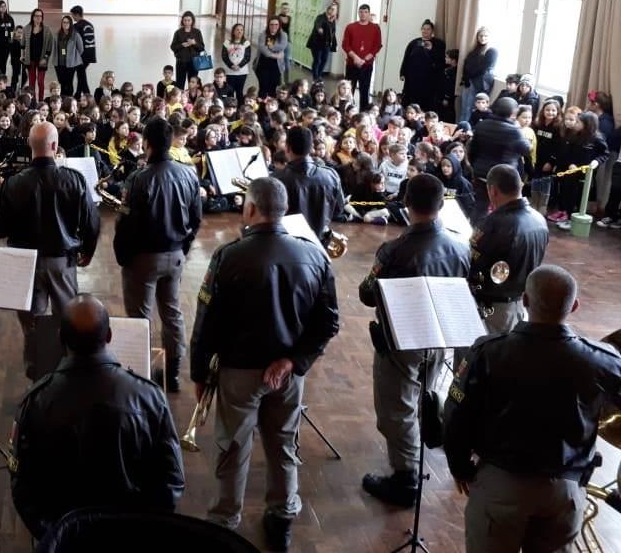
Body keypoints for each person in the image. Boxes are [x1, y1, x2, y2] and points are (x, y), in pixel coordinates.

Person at [190, 176, 339, 550]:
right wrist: (293, 360)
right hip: (288, 374)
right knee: (284, 443)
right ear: (284, 210)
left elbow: (205, 322)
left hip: (238, 372)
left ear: (252, 208)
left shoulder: (228, 256)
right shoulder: (314, 255)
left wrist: (198, 372)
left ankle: (225, 520)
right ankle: (281, 516)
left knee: (232, 446)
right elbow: (329, 321)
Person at [444, 265, 621, 553]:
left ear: (525, 300)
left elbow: (455, 415)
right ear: (574, 306)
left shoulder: (488, 352)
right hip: (565, 489)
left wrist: (460, 466)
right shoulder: (604, 361)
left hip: (502, 484)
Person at [10, 294, 184, 539]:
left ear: (60, 339)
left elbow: (23, 487)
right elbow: (171, 480)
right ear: (109, 337)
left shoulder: (36, 401)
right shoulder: (150, 396)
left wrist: (54, 535)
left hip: (65, 538)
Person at [358, 173, 470, 507]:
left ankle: (406, 478)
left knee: (396, 408)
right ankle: (420, 447)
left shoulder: (394, 250)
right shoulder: (460, 246)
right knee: (425, 393)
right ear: (441, 204)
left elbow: (367, 293)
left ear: (406, 203)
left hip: (402, 339)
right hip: (440, 335)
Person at [0, 122, 100, 379]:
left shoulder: (13, 183)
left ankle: (36, 370)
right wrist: (89, 250)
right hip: (62, 261)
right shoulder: (74, 179)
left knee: (32, 321)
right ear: (54, 146)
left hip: (24, 263)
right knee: (68, 317)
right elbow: (91, 222)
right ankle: (68, 370)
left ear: (30, 146)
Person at [113, 118, 202, 392]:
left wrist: (123, 256)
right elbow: (196, 218)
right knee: (172, 313)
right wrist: (183, 248)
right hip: (175, 255)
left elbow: (126, 224)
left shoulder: (139, 178)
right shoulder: (189, 174)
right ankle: (173, 375)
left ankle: (141, 375)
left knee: (140, 318)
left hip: (143, 258)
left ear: (148, 144)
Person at [469, 164, 549, 335]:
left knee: (481, 355)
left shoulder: (494, 224)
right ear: (520, 186)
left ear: (493, 190)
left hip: (493, 309)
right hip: (522, 303)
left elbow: (476, 268)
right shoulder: (539, 220)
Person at [272, 126, 345, 241]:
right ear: (311, 148)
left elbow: (270, 217)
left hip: (287, 245)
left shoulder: (277, 178)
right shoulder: (331, 175)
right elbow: (338, 210)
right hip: (320, 244)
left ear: (287, 148)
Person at [469, 97, 532, 218]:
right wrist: (519, 128)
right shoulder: (514, 131)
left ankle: (475, 234)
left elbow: (472, 150)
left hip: (480, 173)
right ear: (512, 113)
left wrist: (475, 167)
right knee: (504, 208)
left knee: (479, 208)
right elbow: (526, 149)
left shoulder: (482, 125)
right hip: (503, 176)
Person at [399, 19, 446, 111]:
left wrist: (431, 49)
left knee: (426, 103)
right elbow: (406, 58)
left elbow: (440, 60)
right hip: (413, 77)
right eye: (423, 29)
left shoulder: (439, 43)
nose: (425, 31)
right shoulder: (413, 43)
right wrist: (402, 72)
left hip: (429, 79)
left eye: (428, 29)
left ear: (432, 31)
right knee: (411, 100)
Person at [341, 3, 383, 103]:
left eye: (365, 12)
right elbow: (345, 45)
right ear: (358, 13)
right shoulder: (350, 27)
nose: (363, 14)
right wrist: (355, 57)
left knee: (364, 91)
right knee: (348, 90)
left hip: (366, 65)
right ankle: (346, 111)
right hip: (352, 64)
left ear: (369, 13)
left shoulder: (375, 28)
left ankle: (364, 114)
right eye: (361, 12)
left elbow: (377, 45)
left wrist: (365, 59)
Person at [460, 26, 498, 127]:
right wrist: (465, 78)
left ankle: (467, 130)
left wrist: (470, 76)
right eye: (481, 35)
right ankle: (460, 128)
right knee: (464, 107)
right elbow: (466, 64)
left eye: (485, 36)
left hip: (479, 83)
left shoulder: (492, 51)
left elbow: (483, 68)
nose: (483, 38)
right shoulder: (474, 50)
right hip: (468, 81)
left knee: (471, 108)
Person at [22, 7, 54, 101]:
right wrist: (22, 55)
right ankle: (32, 101)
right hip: (30, 59)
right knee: (32, 82)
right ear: (32, 17)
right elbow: (23, 44)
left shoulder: (47, 30)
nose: (38, 18)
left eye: (40, 16)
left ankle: (40, 101)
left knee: (40, 82)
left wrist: (46, 57)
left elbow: (50, 45)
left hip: (42, 60)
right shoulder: (27, 28)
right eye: (36, 16)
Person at [169, 10, 206, 89]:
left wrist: (194, 43)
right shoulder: (178, 33)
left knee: (193, 83)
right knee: (180, 83)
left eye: (189, 20)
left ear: (192, 21)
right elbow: (173, 47)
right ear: (182, 21)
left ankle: (192, 99)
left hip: (194, 62)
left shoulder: (197, 32)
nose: (187, 22)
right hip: (181, 62)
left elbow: (202, 48)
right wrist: (181, 45)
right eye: (185, 20)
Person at [256, 17, 289, 99]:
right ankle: (261, 107)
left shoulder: (283, 35)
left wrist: (271, 46)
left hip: (276, 67)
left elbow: (282, 47)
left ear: (279, 25)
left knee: (273, 88)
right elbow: (262, 48)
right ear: (268, 25)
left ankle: (272, 107)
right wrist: (274, 55)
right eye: (271, 24)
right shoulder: (263, 34)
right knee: (263, 87)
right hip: (262, 65)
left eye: (276, 24)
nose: (274, 26)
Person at [305, 3, 339, 83]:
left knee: (324, 60)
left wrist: (335, 44)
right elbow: (318, 24)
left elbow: (332, 33)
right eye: (333, 10)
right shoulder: (321, 17)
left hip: (326, 44)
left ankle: (319, 76)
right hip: (316, 43)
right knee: (317, 60)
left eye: (335, 10)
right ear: (329, 10)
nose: (335, 12)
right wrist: (319, 29)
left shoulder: (332, 20)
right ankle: (315, 77)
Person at [54, 13, 85, 97]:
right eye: (64, 22)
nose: (65, 24)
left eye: (67, 22)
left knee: (69, 82)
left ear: (70, 24)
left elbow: (81, 49)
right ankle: (62, 99)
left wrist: (74, 57)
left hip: (71, 64)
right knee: (61, 82)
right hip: (59, 64)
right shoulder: (57, 34)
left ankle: (69, 99)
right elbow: (54, 48)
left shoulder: (75, 35)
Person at [69, 5, 97, 98]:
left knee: (81, 75)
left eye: (72, 15)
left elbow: (75, 43)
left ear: (76, 14)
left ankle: (87, 94)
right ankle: (79, 94)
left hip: (81, 55)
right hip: (90, 54)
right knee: (81, 74)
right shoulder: (90, 25)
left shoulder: (77, 26)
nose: (72, 17)